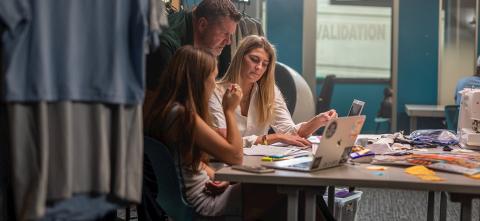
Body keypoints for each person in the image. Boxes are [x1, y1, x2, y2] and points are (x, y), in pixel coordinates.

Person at [142, 45, 244, 218]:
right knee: (272, 190)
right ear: (200, 80)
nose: (215, 84)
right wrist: (229, 110)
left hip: (194, 193)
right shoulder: (182, 116)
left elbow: (189, 162)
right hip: (202, 202)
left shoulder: (164, 109)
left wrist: (220, 178)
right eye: (214, 77)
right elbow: (235, 156)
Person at [209, 35, 338, 148]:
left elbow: (290, 134)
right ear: (240, 58)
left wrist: (317, 121)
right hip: (224, 166)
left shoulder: (270, 92)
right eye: (254, 59)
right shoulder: (214, 92)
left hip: (258, 166)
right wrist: (274, 138)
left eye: (265, 64)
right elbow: (224, 141)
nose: (259, 67)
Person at [146, 0, 241, 90]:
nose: (229, 41)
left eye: (230, 35)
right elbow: (157, 103)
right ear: (202, 25)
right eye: (224, 33)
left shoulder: (190, 28)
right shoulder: (166, 46)